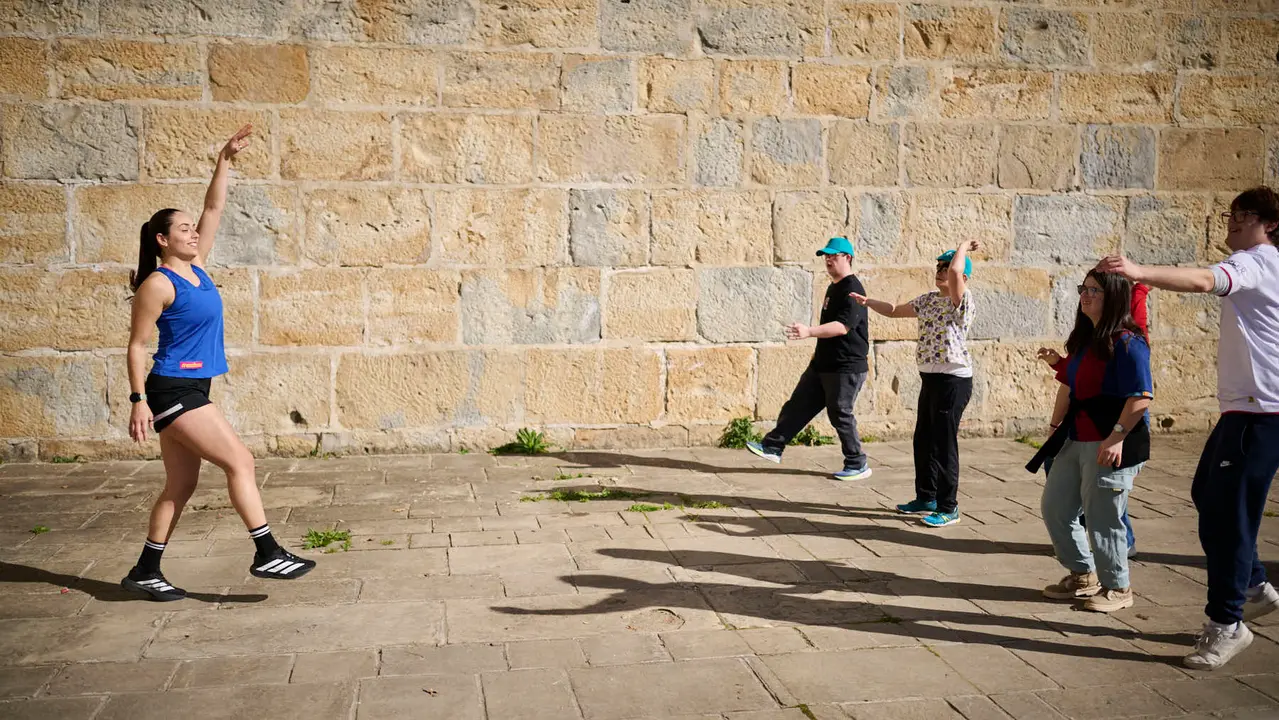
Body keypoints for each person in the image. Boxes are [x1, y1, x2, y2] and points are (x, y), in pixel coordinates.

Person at [122, 125, 315, 601]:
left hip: (194, 387)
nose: (193, 233)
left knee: (180, 486)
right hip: (172, 389)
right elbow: (137, 345)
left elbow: (213, 209)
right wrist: (138, 400)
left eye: (193, 229)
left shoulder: (198, 267)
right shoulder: (158, 284)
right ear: (162, 240)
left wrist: (224, 159)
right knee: (240, 460)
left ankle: (145, 570)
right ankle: (266, 551)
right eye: (183, 230)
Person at [1097, 186, 1279, 669]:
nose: (1233, 220)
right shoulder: (1263, 265)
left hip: (1261, 413)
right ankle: (1253, 586)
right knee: (1208, 496)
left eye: (1245, 214)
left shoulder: (1259, 261)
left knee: (1231, 516)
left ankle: (1227, 623)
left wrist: (1139, 271)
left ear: (1270, 225)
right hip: (1245, 411)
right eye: (1232, 212)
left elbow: (1203, 280)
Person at [1027, 270, 1152, 613]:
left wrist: (1116, 438)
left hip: (1109, 442)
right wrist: (1058, 364)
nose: (1086, 295)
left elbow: (1140, 397)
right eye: (1084, 288)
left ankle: (1118, 587)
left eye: (1095, 290)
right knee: (1055, 508)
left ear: (1114, 297)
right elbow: (1075, 379)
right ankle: (1083, 574)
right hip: (1076, 438)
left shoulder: (1129, 343)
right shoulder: (1087, 339)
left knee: (1103, 517)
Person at [852, 240, 978, 528]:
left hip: (954, 381)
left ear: (962, 277)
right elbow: (894, 310)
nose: (941, 271)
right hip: (930, 378)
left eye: (946, 267)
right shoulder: (928, 300)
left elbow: (956, 272)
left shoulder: (962, 301)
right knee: (923, 439)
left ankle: (949, 507)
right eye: (938, 266)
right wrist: (868, 302)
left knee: (944, 443)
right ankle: (926, 497)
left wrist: (963, 247)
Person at [746, 237, 872, 480]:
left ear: (847, 258)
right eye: (826, 256)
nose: (828, 260)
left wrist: (809, 332)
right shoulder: (834, 287)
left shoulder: (852, 289)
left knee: (840, 414)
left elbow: (842, 326)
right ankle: (773, 446)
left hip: (845, 367)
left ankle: (857, 463)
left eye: (833, 256)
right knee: (798, 405)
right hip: (823, 364)